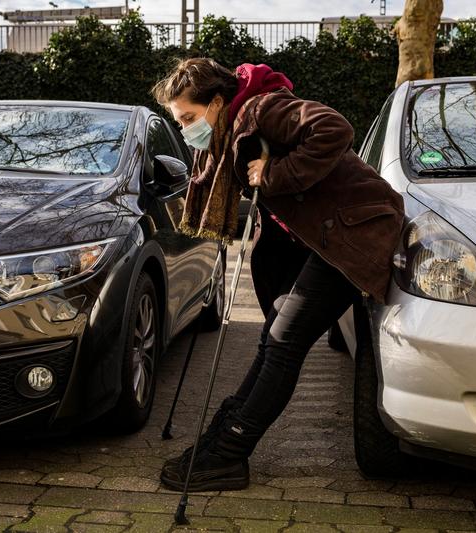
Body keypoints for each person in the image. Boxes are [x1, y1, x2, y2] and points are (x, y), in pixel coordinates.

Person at [151, 58, 405, 492]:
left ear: (217, 103)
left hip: (353, 237)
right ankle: (225, 438)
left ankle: (228, 453)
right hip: (323, 241)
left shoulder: (262, 109)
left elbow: (334, 129)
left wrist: (274, 174)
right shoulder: (233, 125)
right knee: (274, 341)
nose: (187, 129)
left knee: (284, 343)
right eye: (180, 122)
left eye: (190, 118)